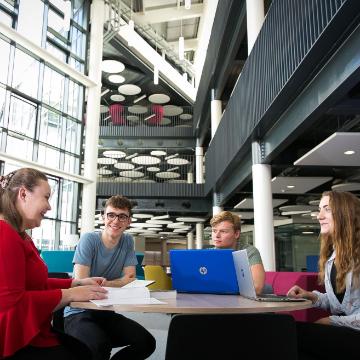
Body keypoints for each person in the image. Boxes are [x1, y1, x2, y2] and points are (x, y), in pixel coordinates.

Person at [0, 168, 108, 360]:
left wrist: (74, 284)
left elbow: (34, 284)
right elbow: (13, 305)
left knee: (85, 352)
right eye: (46, 197)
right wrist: (70, 294)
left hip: (35, 331)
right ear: (23, 194)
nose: (49, 207)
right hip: (15, 339)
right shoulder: (5, 235)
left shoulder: (21, 235)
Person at [64, 195, 156, 360]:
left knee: (146, 342)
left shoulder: (127, 241)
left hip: (105, 310)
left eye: (122, 216)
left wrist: (107, 283)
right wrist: (118, 284)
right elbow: (81, 284)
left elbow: (131, 278)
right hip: (79, 311)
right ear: (103, 217)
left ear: (129, 221)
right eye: (111, 215)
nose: (116, 221)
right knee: (99, 345)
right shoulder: (89, 240)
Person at [287, 191, 360, 360]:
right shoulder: (333, 256)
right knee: (287, 331)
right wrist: (311, 296)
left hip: (353, 333)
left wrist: (332, 321)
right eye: (319, 210)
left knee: (289, 333)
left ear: (345, 213)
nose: (319, 216)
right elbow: (342, 304)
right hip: (346, 333)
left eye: (327, 209)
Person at [210, 211, 265, 294]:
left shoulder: (249, 252)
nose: (217, 235)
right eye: (214, 231)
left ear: (236, 234)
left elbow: (257, 287)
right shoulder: (207, 254)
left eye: (223, 231)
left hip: (242, 303)